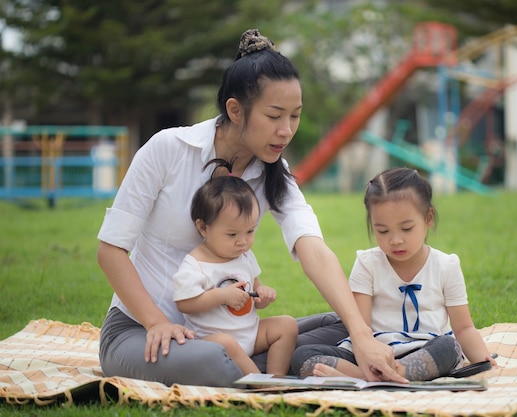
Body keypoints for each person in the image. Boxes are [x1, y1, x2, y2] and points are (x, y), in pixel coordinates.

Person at [96, 28, 404, 387]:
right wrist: (156, 322)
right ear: (235, 110)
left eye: (295, 116)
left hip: (236, 332)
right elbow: (111, 250)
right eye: (275, 116)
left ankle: (271, 368)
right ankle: (279, 369)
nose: (286, 131)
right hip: (144, 332)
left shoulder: (273, 172)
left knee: (347, 324)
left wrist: (362, 334)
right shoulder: (167, 149)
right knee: (212, 358)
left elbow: (312, 248)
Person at [292, 167, 497, 381]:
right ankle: (381, 375)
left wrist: (483, 359)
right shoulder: (367, 263)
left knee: (449, 346)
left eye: (406, 228)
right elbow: (361, 326)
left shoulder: (446, 265)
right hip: (373, 352)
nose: (395, 240)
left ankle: (367, 377)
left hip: (425, 350)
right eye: (382, 231)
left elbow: (463, 328)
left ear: (428, 218)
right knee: (303, 356)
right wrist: (371, 357)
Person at [173, 159, 297, 376]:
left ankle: (278, 377)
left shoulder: (245, 256)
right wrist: (222, 296)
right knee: (226, 342)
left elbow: (254, 294)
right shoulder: (196, 264)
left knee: (287, 325)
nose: (242, 241)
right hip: (213, 342)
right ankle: (260, 383)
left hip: (251, 333)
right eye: (232, 234)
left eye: (250, 232)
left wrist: (262, 296)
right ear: (203, 227)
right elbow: (184, 303)